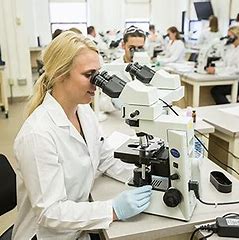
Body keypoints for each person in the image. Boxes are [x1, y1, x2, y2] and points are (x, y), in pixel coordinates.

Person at [12, 31, 152, 240]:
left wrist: (143, 176)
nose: (97, 83)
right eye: (89, 75)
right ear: (60, 75)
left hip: (79, 226)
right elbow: (50, 212)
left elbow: (104, 158)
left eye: (99, 74)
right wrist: (113, 209)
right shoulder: (37, 135)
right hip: (48, 235)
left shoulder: (84, 111)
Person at [207, 26, 239, 104]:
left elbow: (236, 69)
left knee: (216, 91)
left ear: (237, 36)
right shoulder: (232, 47)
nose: (228, 38)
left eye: (229, 36)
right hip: (231, 78)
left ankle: (227, 108)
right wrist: (214, 67)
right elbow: (225, 62)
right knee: (215, 88)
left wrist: (216, 71)